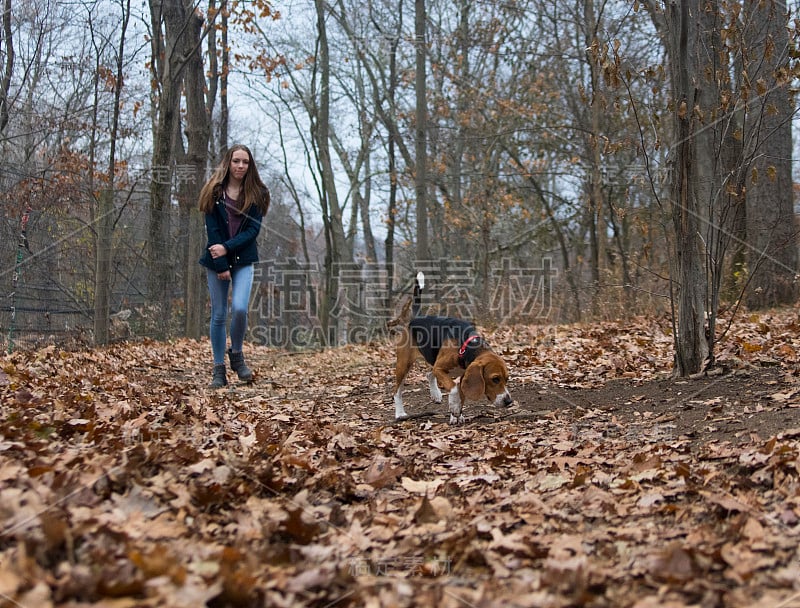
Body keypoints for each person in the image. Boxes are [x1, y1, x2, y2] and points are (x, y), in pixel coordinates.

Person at [198, 144, 270, 388]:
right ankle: (219, 369)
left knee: (239, 308)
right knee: (219, 314)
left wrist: (228, 248)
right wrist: (220, 263)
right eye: (236, 161)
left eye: (245, 162)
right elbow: (213, 232)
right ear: (228, 162)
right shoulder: (213, 192)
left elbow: (253, 230)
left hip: (243, 259)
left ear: (250, 166)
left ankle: (236, 355)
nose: (240, 166)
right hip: (216, 259)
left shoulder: (257, 194)